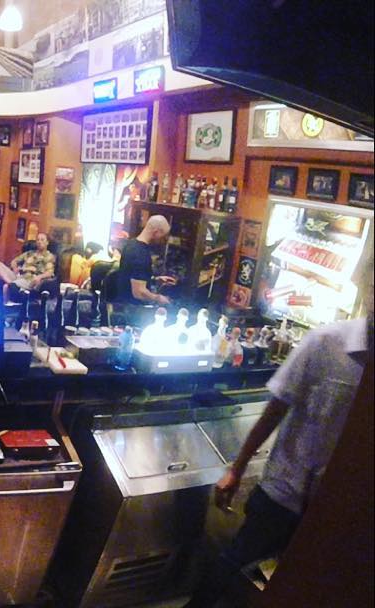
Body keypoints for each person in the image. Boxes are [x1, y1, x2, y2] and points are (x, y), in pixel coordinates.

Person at [185, 264, 372, 608]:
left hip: (338, 509)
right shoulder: (326, 342)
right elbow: (275, 409)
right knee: (233, 565)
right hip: (284, 493)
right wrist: (236, 469)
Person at [114, 215, 176, 305]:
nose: (163, 241)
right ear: (156, 232)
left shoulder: (131, 244)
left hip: (122, 302)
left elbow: (132, 277)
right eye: (163, 237)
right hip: (132, 308)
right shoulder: (141, 254)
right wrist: (158, 298)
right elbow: (139, 292)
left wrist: (155, 280)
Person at [0, 232, 56, 300]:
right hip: (18, 276)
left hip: (30, 280)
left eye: (42, 240)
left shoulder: (49, 256)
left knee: (6, 287)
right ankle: (11, 284)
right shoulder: (29, 253)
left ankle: (12, 285)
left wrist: (39, 277)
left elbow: (49, 273)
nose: (39, 242)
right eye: (38, 240)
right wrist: (15, 268)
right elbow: (14, 261)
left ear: (47, 242)